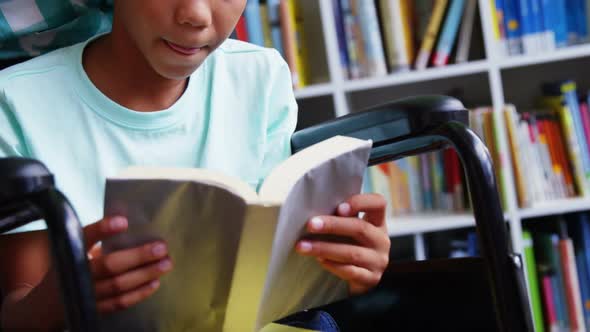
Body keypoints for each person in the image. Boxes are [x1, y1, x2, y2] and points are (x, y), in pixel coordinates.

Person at [0, 1, 391, 330]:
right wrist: (67, 295)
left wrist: (347, 265)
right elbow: (19, 310)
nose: (196, 15)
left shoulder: (261, 75)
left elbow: (279, 270)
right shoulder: (16, 102)